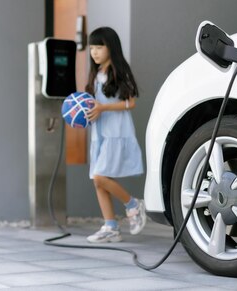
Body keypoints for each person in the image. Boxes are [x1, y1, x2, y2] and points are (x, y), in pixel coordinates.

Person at [84, 26, 146, 243]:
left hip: (116, 131)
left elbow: (131, 103)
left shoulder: (119, 71)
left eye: (99, 47)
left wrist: (103, 108)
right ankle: (110, 226)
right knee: (98, 180)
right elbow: (95, 103)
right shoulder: (96, 73)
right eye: (92, 47)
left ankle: (133, 204)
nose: (94, 52)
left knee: (100, 176)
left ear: (111, 47)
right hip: (99, 132)